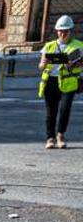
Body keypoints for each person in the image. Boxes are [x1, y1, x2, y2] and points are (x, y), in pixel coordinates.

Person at [39, 15, 83, 149]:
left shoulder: (79, 46)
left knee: (64, 110)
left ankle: (60, 135)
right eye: (60, 31)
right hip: (50, 82)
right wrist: (44, 63)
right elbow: (40, 66)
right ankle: (50, 138)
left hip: (68, 82)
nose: (62, 33)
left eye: (65, 31)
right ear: (56, 31)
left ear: (70, 31)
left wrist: (74, 65)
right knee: (50, 112)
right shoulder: (49, 46)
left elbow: (82, 65)